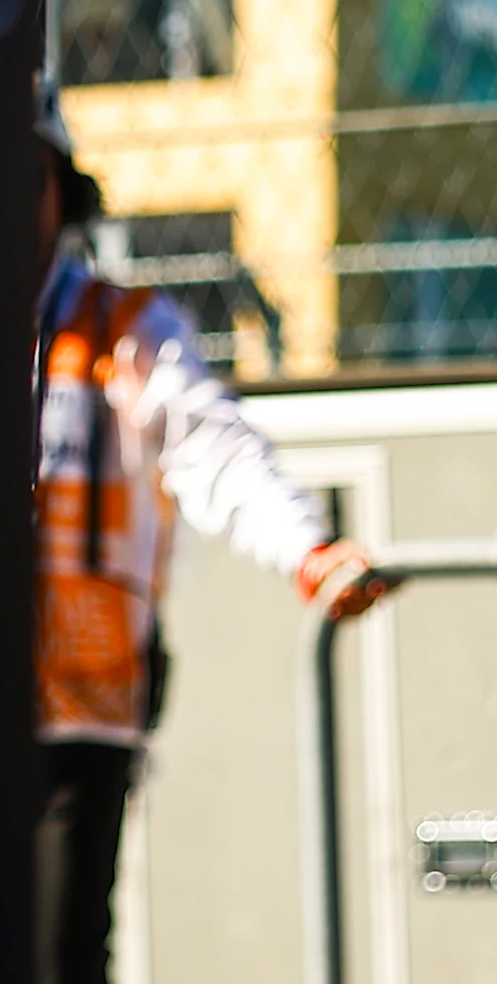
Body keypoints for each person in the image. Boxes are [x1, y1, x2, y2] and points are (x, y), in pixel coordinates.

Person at [31, 83, 388, 984]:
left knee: (58, 953)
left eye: (21, 171)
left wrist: (307, 549)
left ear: (60, 192)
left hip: (84, 708)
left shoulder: (120, 329)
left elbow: (215, 454)